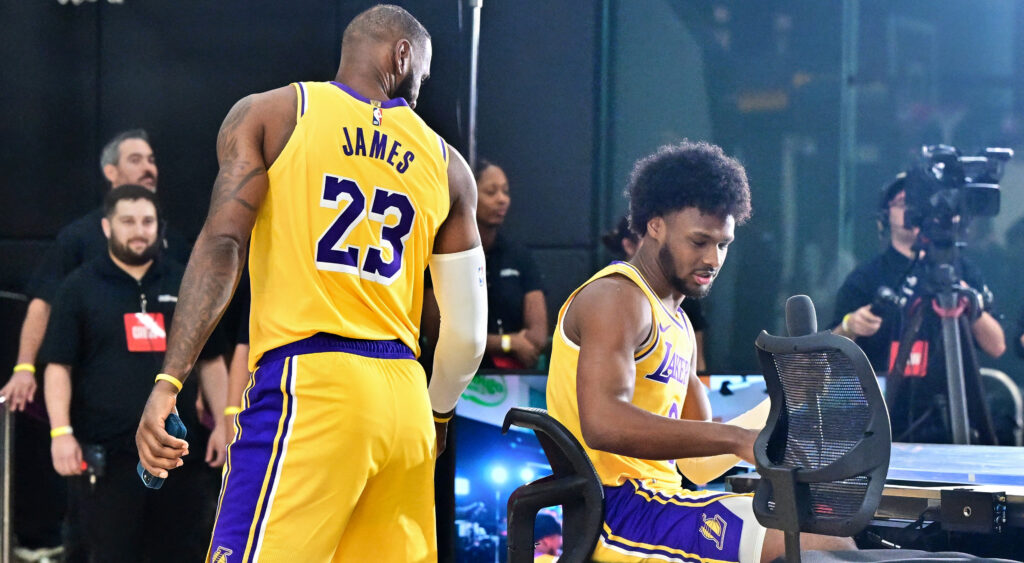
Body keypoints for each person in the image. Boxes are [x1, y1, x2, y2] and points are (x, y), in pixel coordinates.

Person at [135, 5, 487, 561]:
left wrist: (167, 382)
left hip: (313, 385)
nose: (422, 84)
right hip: (404, 403)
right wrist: (436, 414)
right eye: (423, 68)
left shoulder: (272, 113)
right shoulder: (451, 166)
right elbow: (467, 337)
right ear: (401, 55)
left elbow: (223, 244)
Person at [546, 141, 853, 563]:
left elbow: (692, 464)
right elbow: (602, 423)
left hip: (658, 503)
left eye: (723, 244)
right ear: (655, 225)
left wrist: (785, 407)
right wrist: (736, 438)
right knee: (824, 546)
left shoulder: (680, 322)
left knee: (827, 527)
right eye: (699, 241)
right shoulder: (617, 298)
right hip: (615, 513)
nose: (713, 258)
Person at [40, 185, 228, 562]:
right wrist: (61, 432)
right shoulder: (78, 288)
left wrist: (225, 424)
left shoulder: (185, 284)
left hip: (178, 459)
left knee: (184, 553)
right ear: (107, 227)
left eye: (147, 221)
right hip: (107, 462)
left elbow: (210, 361)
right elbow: (58, 366)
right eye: (128, 221)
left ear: (159, 227)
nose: (139, 230)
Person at [2, 129, 191, 412]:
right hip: (95, 389)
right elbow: (43, 303)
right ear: (111, 171)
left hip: (166, 392)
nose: (148, 168)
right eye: (136, 160)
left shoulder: (172, 242)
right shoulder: (79, 237)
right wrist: (25, 366)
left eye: (151, 160)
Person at [831, 175, 1006, 443]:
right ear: (885, 214)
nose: (913, 208)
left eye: (919, 201)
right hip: (884, 421)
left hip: (955, 416)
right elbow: (827, 354)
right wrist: (849, 325)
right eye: (902, 202)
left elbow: (997, 346)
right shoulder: (866, 277)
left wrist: (964, 299)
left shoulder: (964, 272)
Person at [602, 214, 709, 373]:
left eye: (722, 245)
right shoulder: (610, 295)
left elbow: (695, 375)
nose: (712, 259)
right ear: (629, 246)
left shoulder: (684, 311)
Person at [474, 159, 547, 369]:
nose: (502, 199)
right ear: (469, 194)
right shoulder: (447, 255)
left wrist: (509, 345)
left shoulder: (519, 256)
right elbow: (439, 336)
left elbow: (538, 337)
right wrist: (509, 342)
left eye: (505, 192)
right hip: (460, 382)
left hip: (513, 381)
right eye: (491, 192)